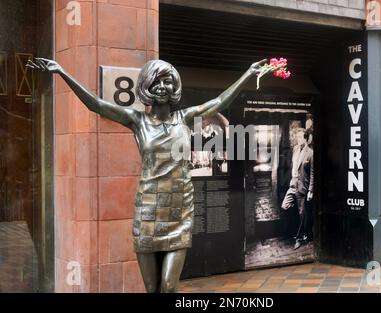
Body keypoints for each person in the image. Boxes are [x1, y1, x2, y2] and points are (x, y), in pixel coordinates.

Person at [27, 57, 273, 293]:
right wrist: (62, 72)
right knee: (152, 288)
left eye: (167, 81)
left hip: (180, 210)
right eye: (156, 82)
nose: (162, 87)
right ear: (147, 86)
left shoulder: (184, 118)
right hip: (148, 210)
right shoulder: (137, 121)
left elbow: (219, 101)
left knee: (168, 286)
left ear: (174, 86)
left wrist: (249, 74)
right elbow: (96, 104)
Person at [281, 127, 314, 250]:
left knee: (302, 214)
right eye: (297, 137)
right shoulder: (295, 150)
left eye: (300, 137)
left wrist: (311, 190)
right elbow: (293, 166)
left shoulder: (310, 153)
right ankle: (303, 231)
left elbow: (312, 173)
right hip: (293, 184)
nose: (298, 139)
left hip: (303, 187)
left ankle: (299, 238)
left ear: (305, 139)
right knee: (285, 206)